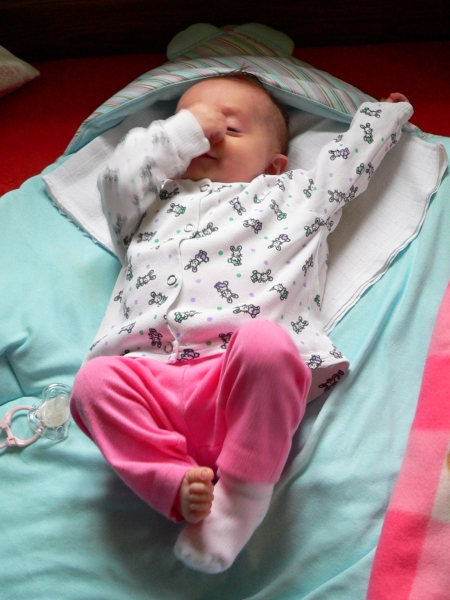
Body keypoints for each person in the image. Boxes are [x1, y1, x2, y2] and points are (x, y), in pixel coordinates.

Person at [70, 72, 412, 573]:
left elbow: (345, 168)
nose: (208, 135)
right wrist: (186, 131)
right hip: (147, 377)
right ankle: (170, 479)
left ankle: (242, 498)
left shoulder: (294, 198)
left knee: (268, 344)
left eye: (230, 130)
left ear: (275, 163)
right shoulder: (147, 205)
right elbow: (117, 177)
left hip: (239, 378)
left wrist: (382, 117)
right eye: (192, 125)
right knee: (92, 383)